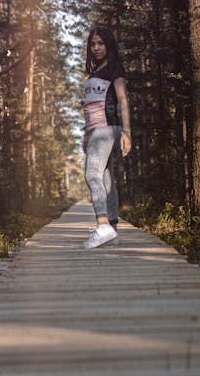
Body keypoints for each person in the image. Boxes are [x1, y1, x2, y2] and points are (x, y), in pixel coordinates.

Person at [82, 25, 131, 249]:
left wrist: (126, 132)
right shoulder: (96, 71)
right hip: (95, 130)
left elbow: (123, 100)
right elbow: (89, 107)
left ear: (108, 44)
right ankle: (112, 231)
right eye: (92, 44)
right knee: (105, 178)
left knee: (91, 175)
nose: (96, 47)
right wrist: (86, 134)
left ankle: (102, 226)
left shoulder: (114, 68)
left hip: (106, 128)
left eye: (100, 43)